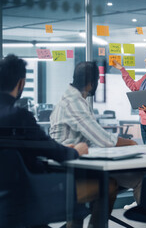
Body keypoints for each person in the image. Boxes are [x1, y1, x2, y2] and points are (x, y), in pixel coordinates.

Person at [0, 54, 117, 228]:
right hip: (29, 193)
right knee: (108, 185)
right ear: (21, 83)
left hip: (7, 196)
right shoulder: (20, 116)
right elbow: (55, 153)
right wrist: (76, 151)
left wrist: (57, 147)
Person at [49, 61, 144, 206]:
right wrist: (130, 143)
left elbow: (93, 140)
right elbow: (103, 139)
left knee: (127, 179)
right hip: (70, 170)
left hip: (79, 164)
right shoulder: (73, 103)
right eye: (98, 80)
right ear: (91, 84)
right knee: (143, 178)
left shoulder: (76, 99)